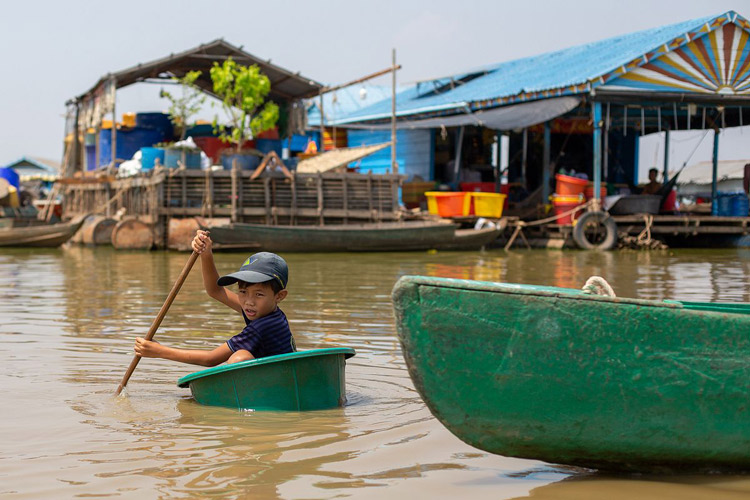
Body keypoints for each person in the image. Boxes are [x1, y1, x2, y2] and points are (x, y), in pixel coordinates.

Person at [133, 230, 296, 366]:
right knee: (241, 355)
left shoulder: (262, 326)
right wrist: (206, 253)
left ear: (279, 296)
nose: (249, 301)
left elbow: (210, 359)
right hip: (278, 377)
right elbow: (215, 291)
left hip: (282, 384)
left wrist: (160, 351)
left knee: (239, 358)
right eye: (243, 292)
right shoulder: (264, 310)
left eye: (259, 294)